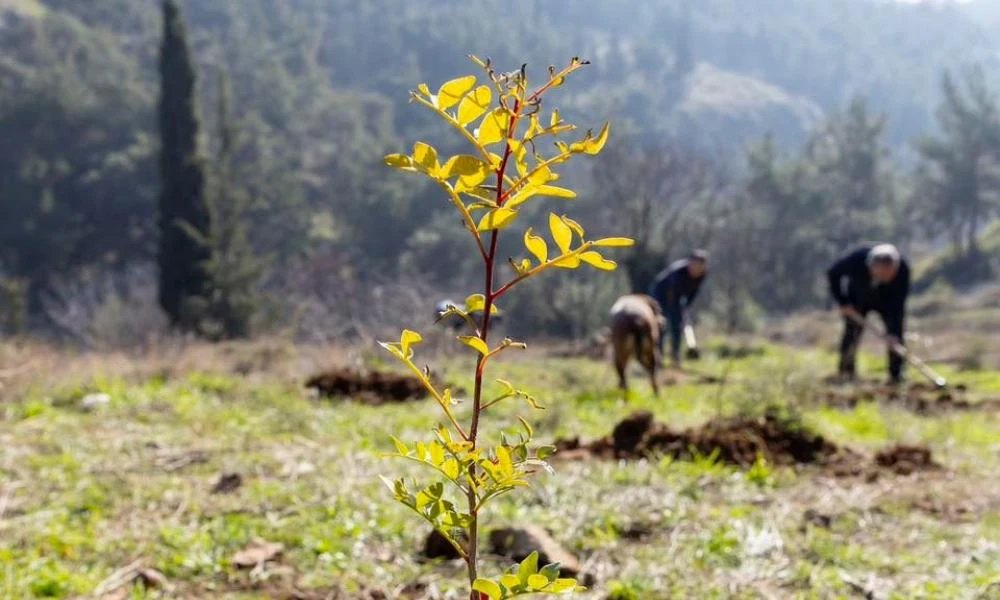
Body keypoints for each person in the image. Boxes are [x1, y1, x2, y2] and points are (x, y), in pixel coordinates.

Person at [827, 243, 910, 384]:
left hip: (888, 301)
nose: (884, 276)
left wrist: (894, 332)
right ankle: (846, 372)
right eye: (880, 272)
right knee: (851, 333)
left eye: (888, 273)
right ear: (870, 266)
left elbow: (899, 304)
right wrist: (843, 302)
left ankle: (896, 375)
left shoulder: (903, 270)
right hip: (857, 299)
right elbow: (833, 274)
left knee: (896, 337)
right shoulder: (857, 260)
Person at [648, 250, 708, 366]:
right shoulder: (679, 271)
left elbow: (693, 292)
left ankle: (675, 355)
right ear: (690, 263)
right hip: (661, 295)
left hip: (676, 298)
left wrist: (686, 307)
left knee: (677, 327)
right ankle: (658, 357)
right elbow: (671, 292)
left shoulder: (702, 275)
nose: (696, 269)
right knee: (662, 326)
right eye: (694, 265)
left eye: (700, 266)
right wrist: (675, 311)